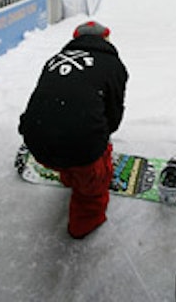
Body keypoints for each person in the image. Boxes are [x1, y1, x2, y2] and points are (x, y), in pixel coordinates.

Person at [18, 21, 128, 239]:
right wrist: (102, 141)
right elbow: (113, 114)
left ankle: (69, 174)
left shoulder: (54, 60)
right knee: (92, 186)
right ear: (106, 38)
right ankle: (83, 224)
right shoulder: (112, 65)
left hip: (35, 141)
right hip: (81, 147)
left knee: (69, 138)